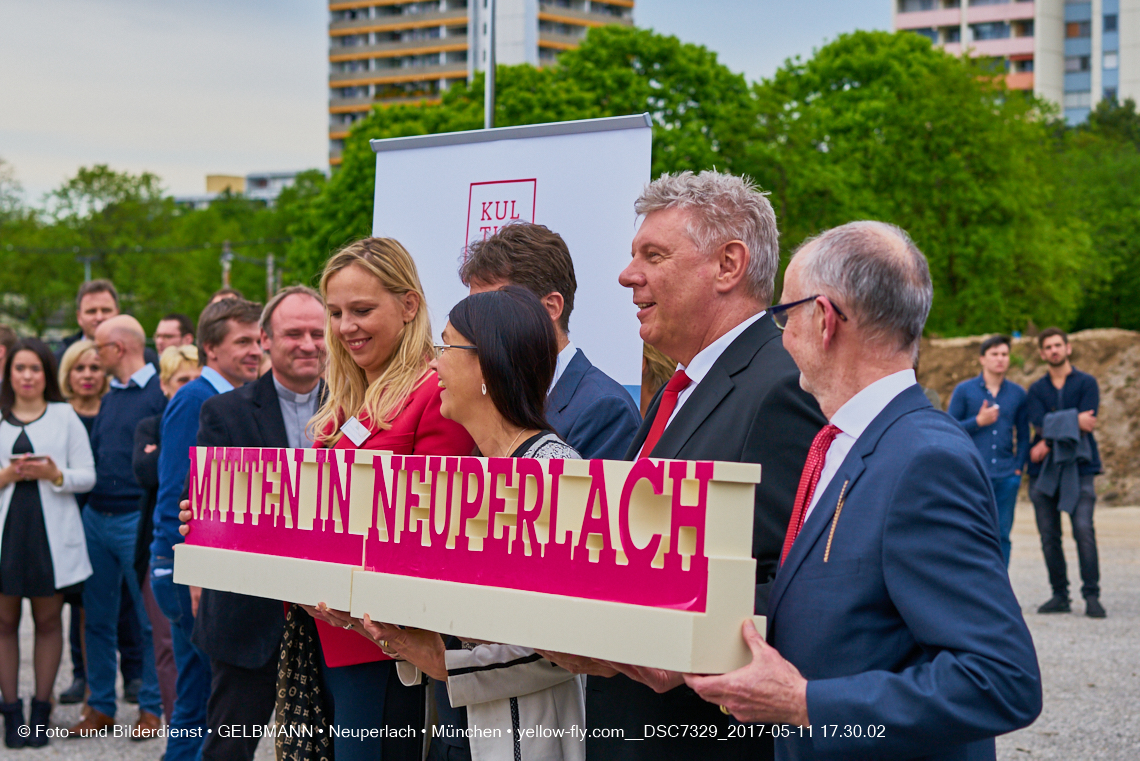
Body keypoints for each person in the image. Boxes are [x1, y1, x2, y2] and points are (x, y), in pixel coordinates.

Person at [685, 221, 1042, 760]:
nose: (780, 334)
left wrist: (806, 703)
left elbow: (1000, 679)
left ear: (824, 319)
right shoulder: (846, 442)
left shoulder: (924, 461)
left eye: (784, 315)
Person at [545, 170, 826, 760]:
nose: (628, 276)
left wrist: (679, 643)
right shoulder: (683, 387)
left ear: (728, 265)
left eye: (653, 255)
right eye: (632, 256)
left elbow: (795, 582)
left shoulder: (781, 386)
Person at [360, 285, 585, 761]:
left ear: (488, 363)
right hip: (462, 724)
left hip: (529, 732)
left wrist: (446, 662)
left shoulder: (554, 472)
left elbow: (569, 644)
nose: (433, 364)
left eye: (445, 346)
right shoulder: (473, 471)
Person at [298, 237, 474, 761]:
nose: (346, 325)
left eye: (362, 309)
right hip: (330, 631)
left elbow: (433, 522)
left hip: (389, 644)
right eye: (335, 312)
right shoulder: (341, 402)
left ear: (409, 306)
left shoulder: (433, 392)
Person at [188, 286, 326, 761]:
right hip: (248, 619)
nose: (308, 343)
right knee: (229, 749)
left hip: (332, 619)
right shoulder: (223, 413)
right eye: (294, 333)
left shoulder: (360, 409)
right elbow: (206, 512)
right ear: (265, 339)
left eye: (317, 332)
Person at [150, 298, 262, 761]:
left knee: (198, 704)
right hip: (187, 573)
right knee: (201, 710)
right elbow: (176, 492)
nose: (256, 350)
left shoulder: (235, 398)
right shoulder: (194, 399)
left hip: (201, 572)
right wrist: (181, 567)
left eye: (259, 340)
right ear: (209, 349)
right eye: (243, 341)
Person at [459, 222, 641, 459]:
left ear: (550, 308)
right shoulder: (492, 399)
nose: (477, 327)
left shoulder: (605, 410)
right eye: (473, 312)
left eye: (494, 310)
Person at [69, 315, 165, 738]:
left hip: (135, 519)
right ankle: (100, 707)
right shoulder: (112, 396)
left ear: (119, 348)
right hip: (96, 518)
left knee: (148, 618)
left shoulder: (159, 393)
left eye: (100, 348)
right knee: (97, 618)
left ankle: (151, 708)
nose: (95, 355)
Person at [0, 339, 95, 748]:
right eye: (19, 368)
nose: (26, 376)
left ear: (47, 374)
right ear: (9, 374)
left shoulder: (64, 416)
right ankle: (10, 713)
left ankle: (40, 711)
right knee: (3, 624)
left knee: (49, 622)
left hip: (50, 538)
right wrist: (6, 476)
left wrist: (55, 474)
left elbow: (87, 475)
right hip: (6, 538)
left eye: (35, 368)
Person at [57, 339, 144, 707]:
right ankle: (89, 683)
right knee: (87, 609)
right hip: (77, 516)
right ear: (67, 374)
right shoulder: (59, 415)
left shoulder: (114, 405)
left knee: (133, 607)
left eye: (95, 367)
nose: (89, 375)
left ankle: (138, 680)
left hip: (118, 513)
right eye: (80, 368)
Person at [133, 345, 201, 724]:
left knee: (190, 660)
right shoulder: (153, 422)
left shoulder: (211, 413)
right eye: (182, 381)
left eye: (196, 378)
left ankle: (182, 731)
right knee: (165, 643)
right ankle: (166, 715)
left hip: (171, 545)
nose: (191, 388)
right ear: (164, 385)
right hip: (160, 546)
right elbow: (147, 474)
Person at [1026, 328, 1105, 618]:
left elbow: (1090, 421)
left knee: (1084, 530)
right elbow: (1040, 423)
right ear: (1043, 353)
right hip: (1043, 471)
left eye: (1058, 345)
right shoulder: (1036, 390)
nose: (1054, 350)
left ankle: (1092, 595)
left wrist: (1048, 438)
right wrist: (1069, 423)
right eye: (1048, 347)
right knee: (1049, 536)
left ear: (1068, 348)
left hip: (1080, 467)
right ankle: (1060, 595)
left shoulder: (1087, 383)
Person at [948, 334, 1030, 567]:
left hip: (1006, 476)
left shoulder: (1017, 394)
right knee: (970, 533)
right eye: (994, 354)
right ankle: (971, 591)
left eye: (1004, 354)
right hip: (972, 475)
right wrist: (978, 421)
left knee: (1002, 535)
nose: (1000, 359)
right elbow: (949, 429)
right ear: (982, 359)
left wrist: (1017, 470)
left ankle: (999, 591)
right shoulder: (964, 391)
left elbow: (1024, 435)